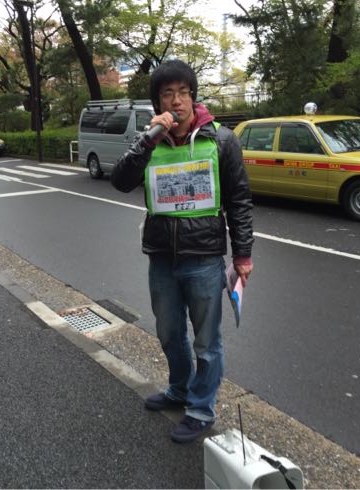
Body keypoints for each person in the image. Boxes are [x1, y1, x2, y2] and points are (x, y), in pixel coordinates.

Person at [111, 59, 254, 443]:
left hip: (204, 259)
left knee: (207, 342)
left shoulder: (221, 140)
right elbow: (120, 181)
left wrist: (243, 255)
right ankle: (179, 389)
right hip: (161, 257)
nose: (177, 101)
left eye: (183, 93)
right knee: (169, 333)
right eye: (167, 94)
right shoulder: (150, 141)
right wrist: (148, 139)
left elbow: (239, 201)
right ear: (158, 102)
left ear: (193, 97)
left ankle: (201, 409)